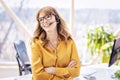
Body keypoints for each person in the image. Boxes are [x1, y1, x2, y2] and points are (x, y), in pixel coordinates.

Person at [31, 6, 81, 80]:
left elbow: (76, 71)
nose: (44, 21)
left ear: (57, 18)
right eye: (41, 19)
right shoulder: (36, 43)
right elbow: (38, 76)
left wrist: (54, 70)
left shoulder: (69, 41)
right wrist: (65, 73)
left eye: (48, 16)